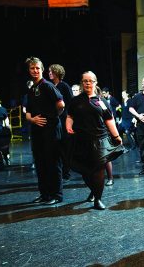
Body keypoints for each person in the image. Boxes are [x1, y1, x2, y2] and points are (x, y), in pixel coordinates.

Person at [66, 71, 122, 210]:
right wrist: (68, 125)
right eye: (85, 81)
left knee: (98, 170)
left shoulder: (101, 102)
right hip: (81, 140)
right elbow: (70, 115)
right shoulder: (75, 101)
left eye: (91, 81)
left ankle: (98, 199)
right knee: (85, 171)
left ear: (95, 83)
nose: (88, 83)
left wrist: (116, 136)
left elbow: (109, 120)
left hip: (99, 140)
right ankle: (93, 190)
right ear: (82, 83)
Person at [25, 57, 65, 205]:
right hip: (37, 130)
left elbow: (61, 105)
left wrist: (52, 118)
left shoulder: (48, 86)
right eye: (32, 68)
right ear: (29, 70)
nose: (35, 71)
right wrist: (32, 120)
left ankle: (57, 195)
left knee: (53, 162)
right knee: (40, 162)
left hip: (51, 130)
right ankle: (45, 194)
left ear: (42, 69)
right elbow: (28, 112)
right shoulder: (31, 89)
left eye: (37, 68)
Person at [48, 64, 73, 181]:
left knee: (65, 146)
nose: (49, 73)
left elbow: (71, 103)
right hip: (54, 120)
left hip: (64, 119)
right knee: (57, 146)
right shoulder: (51, 86)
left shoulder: (64, 86)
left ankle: (66, 172)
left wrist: (67, 116)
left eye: (51, 72)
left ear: (57, 73)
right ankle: (61, 171)